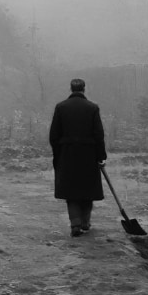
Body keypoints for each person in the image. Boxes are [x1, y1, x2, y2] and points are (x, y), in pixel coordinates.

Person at [49, 78, 107, 237]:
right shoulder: (92, 108)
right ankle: (85, 222)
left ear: (71, 89)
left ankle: (75, 224)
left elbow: (54, 135)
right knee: (87, 189)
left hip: (67, 154)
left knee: (71, 190)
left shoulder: (61, 107)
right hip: (88, 154)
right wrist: (101, 156)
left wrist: (57, 153)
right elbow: (99, 135)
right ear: (84, 89)